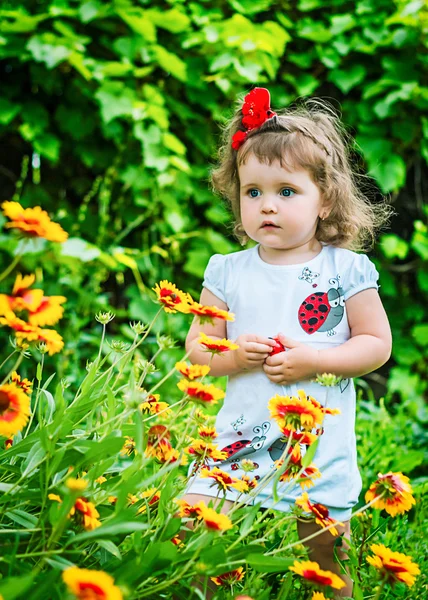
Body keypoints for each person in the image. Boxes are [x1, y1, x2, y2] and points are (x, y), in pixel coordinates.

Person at [182, 88, 393, 597]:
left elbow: (375, 344)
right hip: (240, 435)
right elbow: (197, 351)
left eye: (286, 192)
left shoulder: (345, 269)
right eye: (252, 192)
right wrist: (234, 356)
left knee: (325, 546)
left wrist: (313, 361)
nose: (267, 205)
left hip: (315, 444)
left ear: (325, 200)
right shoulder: (227, 271)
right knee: (195, 527)